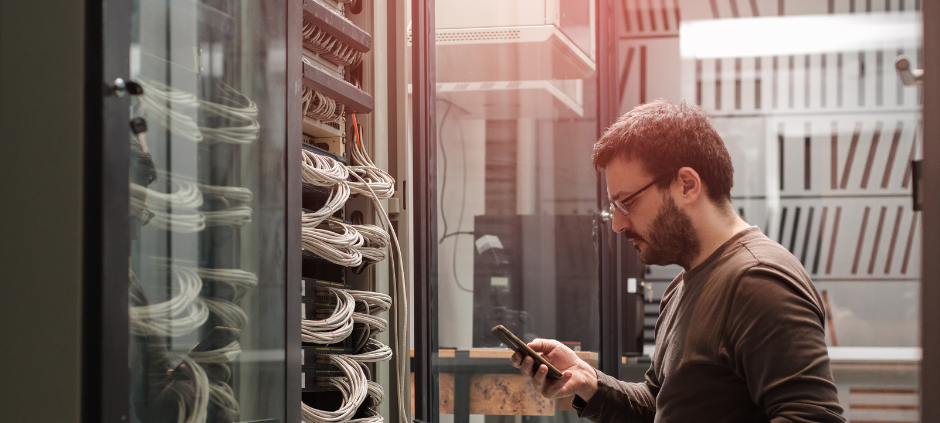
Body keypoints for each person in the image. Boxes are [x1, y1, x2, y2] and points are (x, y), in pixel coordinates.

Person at [510, 99, 845, 422]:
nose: (618, 224)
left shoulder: (758, 281)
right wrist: (589, 382)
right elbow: (660, 403)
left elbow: (811, 417)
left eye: (627, 203)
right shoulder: (682, 287)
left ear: (687, 185)